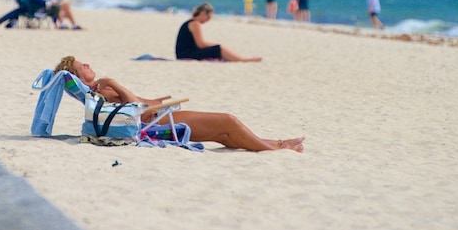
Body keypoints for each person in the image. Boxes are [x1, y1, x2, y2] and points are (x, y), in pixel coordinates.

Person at [54, 56, 303, 152]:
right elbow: (135, 107)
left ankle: (277, 143)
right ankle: (276, 148)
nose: (88, 64)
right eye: (82, 66)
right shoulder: (102, 91)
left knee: (223, 135)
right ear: (78, 76)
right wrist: (112, 82)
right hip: (157, 120)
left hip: (158, 115)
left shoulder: (98, 92)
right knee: (228, 121)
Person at [175, 3, 261, 62]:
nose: (208, 20)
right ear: (203, 13)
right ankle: (243, 60)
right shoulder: (195, 23)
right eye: (208, 17)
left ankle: (240, 59)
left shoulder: (190, 22)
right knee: (219, 48)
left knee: (217, 48)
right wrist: (215, 45)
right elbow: (200, 44)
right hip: (187, 55)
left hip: (184, 53)